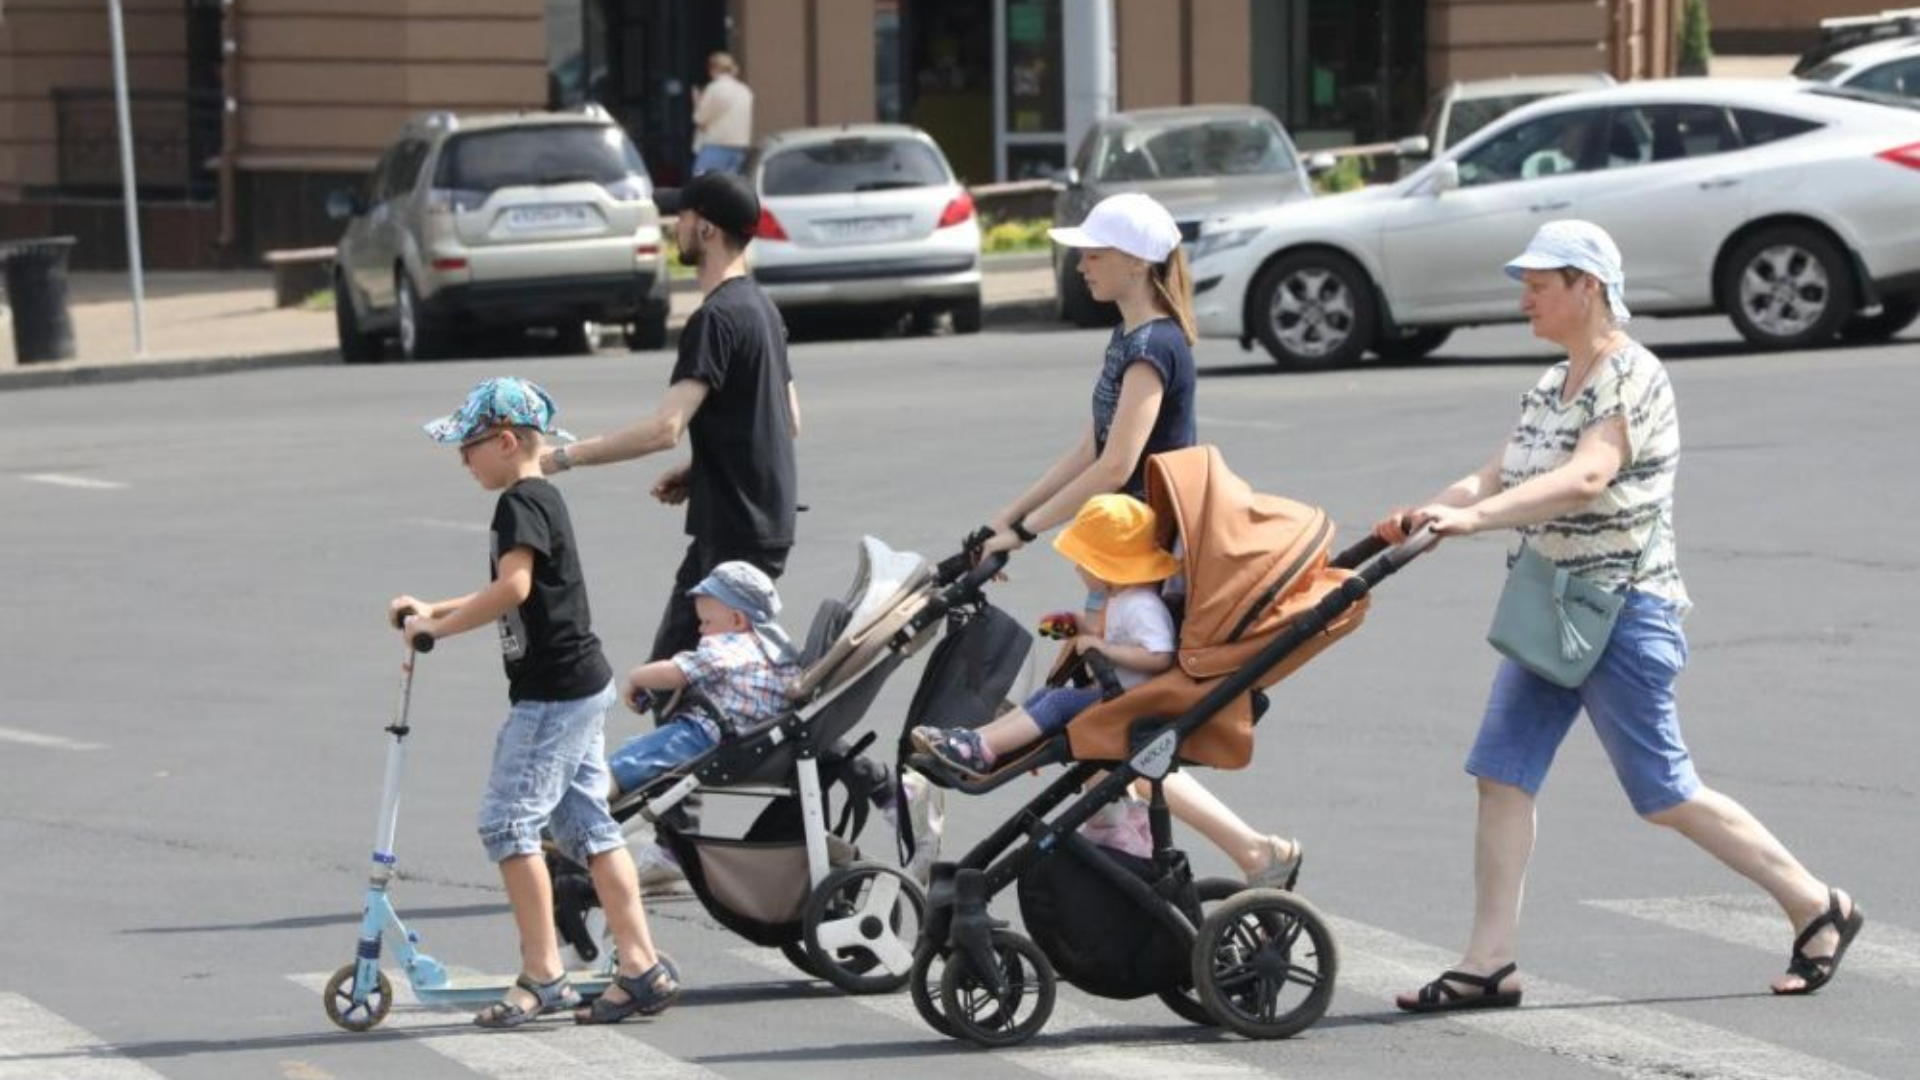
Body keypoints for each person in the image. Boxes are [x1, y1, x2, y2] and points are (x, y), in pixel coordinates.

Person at [1375, 220, 1864, 1012]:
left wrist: (1478, 519)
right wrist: (1434, 511)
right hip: (1549, 609)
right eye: (1525, 281)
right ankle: (1489, 961)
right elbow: (1497, 472)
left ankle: (1817, 904)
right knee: (1501, 777)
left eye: (1541, 282)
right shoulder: (1548, 385)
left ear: (1588, 287)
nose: (1525, 294)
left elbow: (1587, 476)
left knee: (1663, 793)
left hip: (1622, 613)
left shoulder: (1631, 375)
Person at [970, 192, 1303, 889]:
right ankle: (1247, 850)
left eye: (1094, 253)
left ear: (1135, 261)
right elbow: (1088, 446)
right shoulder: (1128, 340)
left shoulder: (1155, 345)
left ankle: (1240, 847)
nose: (1082, 264)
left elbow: (1117, 464)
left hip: (1145, 557)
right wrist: (1007, 519)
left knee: (1122, 720)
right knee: (1117, 722)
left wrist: (1025, 534)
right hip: (1117, 553)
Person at [390, 377, 678, 1028]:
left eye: (469, 446)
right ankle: (640, 965)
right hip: (578, 683)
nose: (463, 459)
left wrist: (436, 629)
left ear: (508, 441)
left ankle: (544, 974)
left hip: (552, 695)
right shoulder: (539, 499)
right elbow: (515, 586)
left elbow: (514, 588)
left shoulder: (520, 501)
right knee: (586, 829)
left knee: (507, 823)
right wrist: (435, 607)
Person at [541, 169, 798, 882]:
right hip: (761, 520)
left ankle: (674, 848)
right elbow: (784, 419)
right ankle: (679, 841)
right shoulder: (762, 310)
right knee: (693, 685)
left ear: (706, 228)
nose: (672, 228)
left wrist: (561, 458)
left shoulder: (717, 316)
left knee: (678, 682)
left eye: (680, 218)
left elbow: (663, 427)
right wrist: (703, 468)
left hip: (734, 533)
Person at [913, 493, 1175, 774]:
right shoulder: (1124, 599)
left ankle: (981, 748)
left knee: (1058, 701)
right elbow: (1112, 638)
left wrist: (1104, 649)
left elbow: (1160, 657)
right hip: (1113, 690)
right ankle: (978, 740)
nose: (1077, 569)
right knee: (1045, 696)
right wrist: (1076, 624)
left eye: (1083, 564)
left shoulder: (1142, 606)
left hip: (1128, 701)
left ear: (1108, 568)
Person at [605, 562, 802, 799]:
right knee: (641, 750)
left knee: (621, 766)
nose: (701, 629)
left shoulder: (731, 644)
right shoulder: (779, 651)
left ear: (738, 620)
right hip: (752, 740)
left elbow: (676, 672)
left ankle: (586, 813)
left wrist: (636, 676)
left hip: (707, 735)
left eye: (707, 622)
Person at [691, 51, 753, 176]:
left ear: (713, 69)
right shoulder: (745, 91)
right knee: (730, 189)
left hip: (716, 146)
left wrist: (697, 101)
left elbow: (700, 119)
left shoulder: (714, 88)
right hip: (740, 147)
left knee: (703, 187)